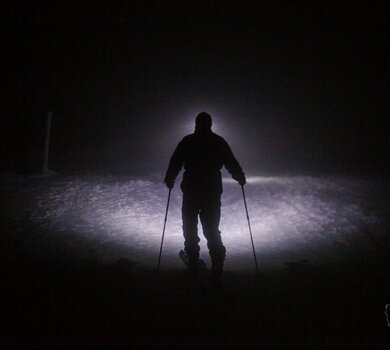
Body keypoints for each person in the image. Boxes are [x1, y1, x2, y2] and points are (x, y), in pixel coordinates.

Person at [164, 112, 246, 279]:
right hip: (211, 191)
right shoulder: (218, 141)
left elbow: (176, 161)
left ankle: (193, 261)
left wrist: (170, 178)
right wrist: (239, 177)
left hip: (192, 190)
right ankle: (217, 262)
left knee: (189, 227)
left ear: (196, 124)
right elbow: (231, 161)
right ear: (210, 124)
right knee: (211, 228)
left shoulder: (188, 141)